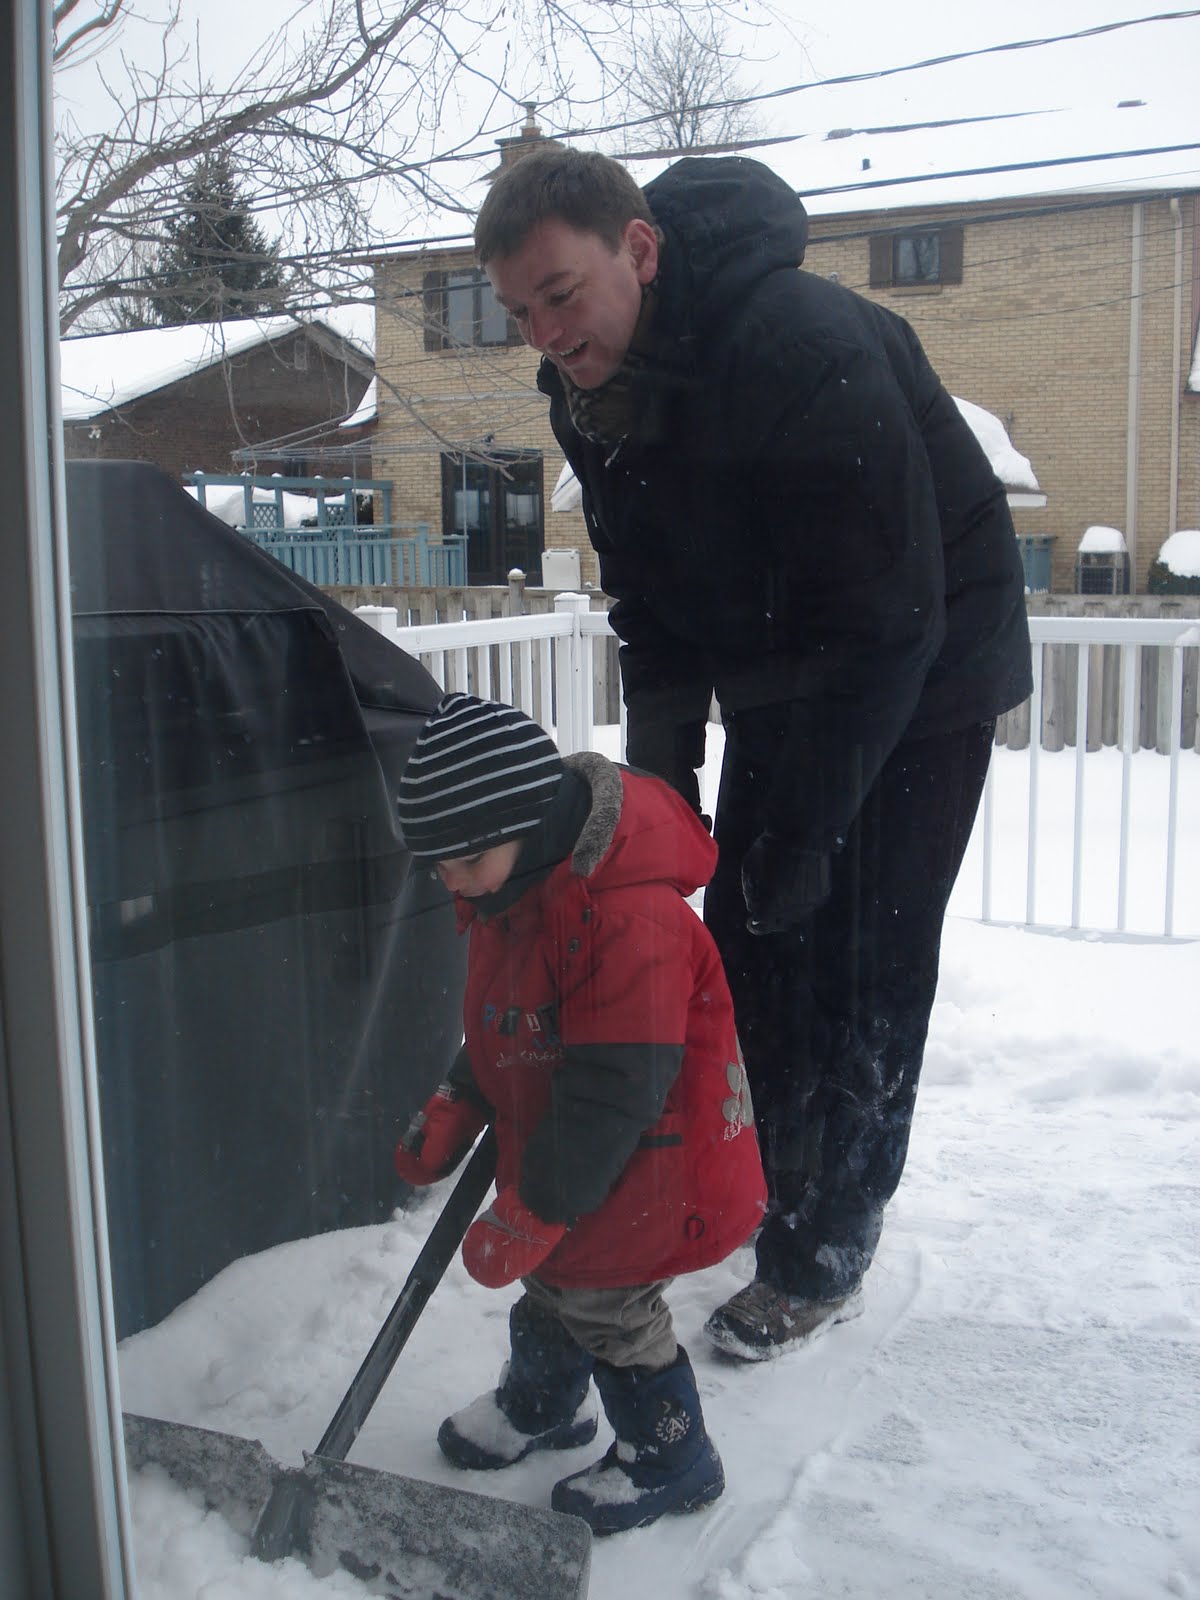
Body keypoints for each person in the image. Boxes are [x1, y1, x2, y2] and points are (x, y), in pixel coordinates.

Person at [474, 148, 1033, 1360]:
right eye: (520, 312)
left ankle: (826, 1248)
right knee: (747, 935)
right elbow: (650, 608)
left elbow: (891, 620)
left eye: (560, 294)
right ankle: (765, 1176)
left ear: (639, 250)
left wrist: (808, 830)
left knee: (863, 955)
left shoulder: (797, 345)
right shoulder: (587, 389)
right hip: (786, 664)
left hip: (927, 669)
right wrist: (659, 803)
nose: (546, 334)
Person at [393, 691, 766, 1535]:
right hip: (581, 1151)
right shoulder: (515, 893)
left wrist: (539, 1204)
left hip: (651, 1160)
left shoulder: (626, 918)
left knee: (609, 1307)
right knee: (556, 1284)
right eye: (437, 865)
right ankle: (545, 1407)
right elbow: (514, 1020)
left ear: (529, 826)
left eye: (466, 860)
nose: (451, 883)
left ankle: (672, 1457)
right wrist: (461, 1095)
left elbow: (614, 1085)